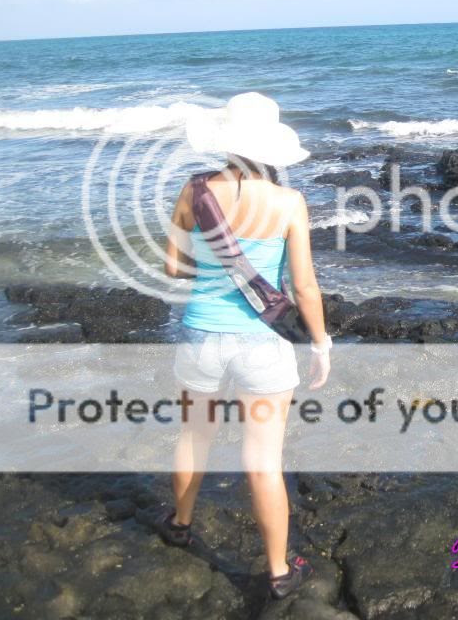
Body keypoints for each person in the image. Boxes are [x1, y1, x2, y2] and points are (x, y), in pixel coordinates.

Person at [159, 92, 331, 600]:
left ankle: (180, 524)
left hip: (200, 334)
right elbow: (304, 287)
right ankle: (279, 571)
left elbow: (173, 267)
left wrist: (214, 271)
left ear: (226, 142)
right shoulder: (288, 202)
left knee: (194, 436)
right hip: (264, 342)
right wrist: (320, 343)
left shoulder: (194, 191)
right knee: (263, 459)